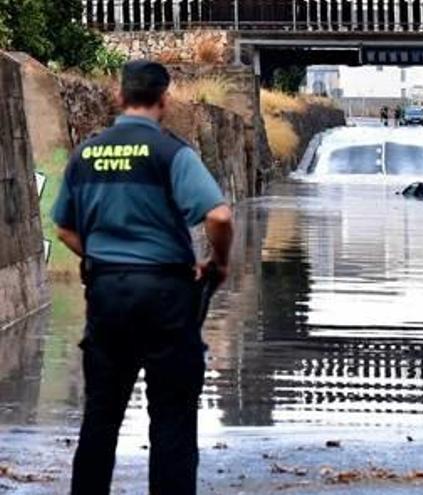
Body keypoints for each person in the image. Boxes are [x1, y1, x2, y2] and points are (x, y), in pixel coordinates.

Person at [52, 60, 234, 495]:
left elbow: (63, 227)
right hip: (166, 295)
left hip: (107, 293)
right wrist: (218, 262)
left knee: (101, 415)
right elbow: (219, 215)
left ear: (119, 96)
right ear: (164, 101)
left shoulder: (85, 154)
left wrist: (99, 255)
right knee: (171, 416)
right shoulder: (172, 153)